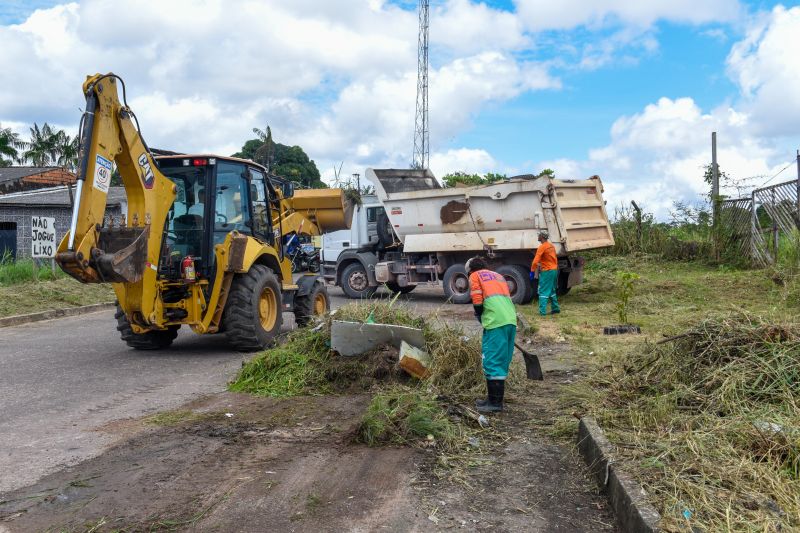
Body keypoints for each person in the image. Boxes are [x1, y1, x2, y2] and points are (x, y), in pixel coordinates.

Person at [466, 256, 517, 413]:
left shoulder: (475, 276)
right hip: (510, 320)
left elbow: (477, 299)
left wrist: (478, 313)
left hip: (495, 322)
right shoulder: (498, 275)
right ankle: (492, 399)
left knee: (492, 361)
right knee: (501, 360)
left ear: (470, 270)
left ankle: (495, 404)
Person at [530, 230, 560, 316]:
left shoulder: (542, 247)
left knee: (543, 290)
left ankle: (542, 312)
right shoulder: (551, 246)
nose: (538, 236)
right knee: (552, 290)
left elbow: (535, 260)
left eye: (539, 235)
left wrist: (532, 271)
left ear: (542, 237)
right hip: (554, 270)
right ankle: (555, 309)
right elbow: (553, 258)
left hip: (547, 271)